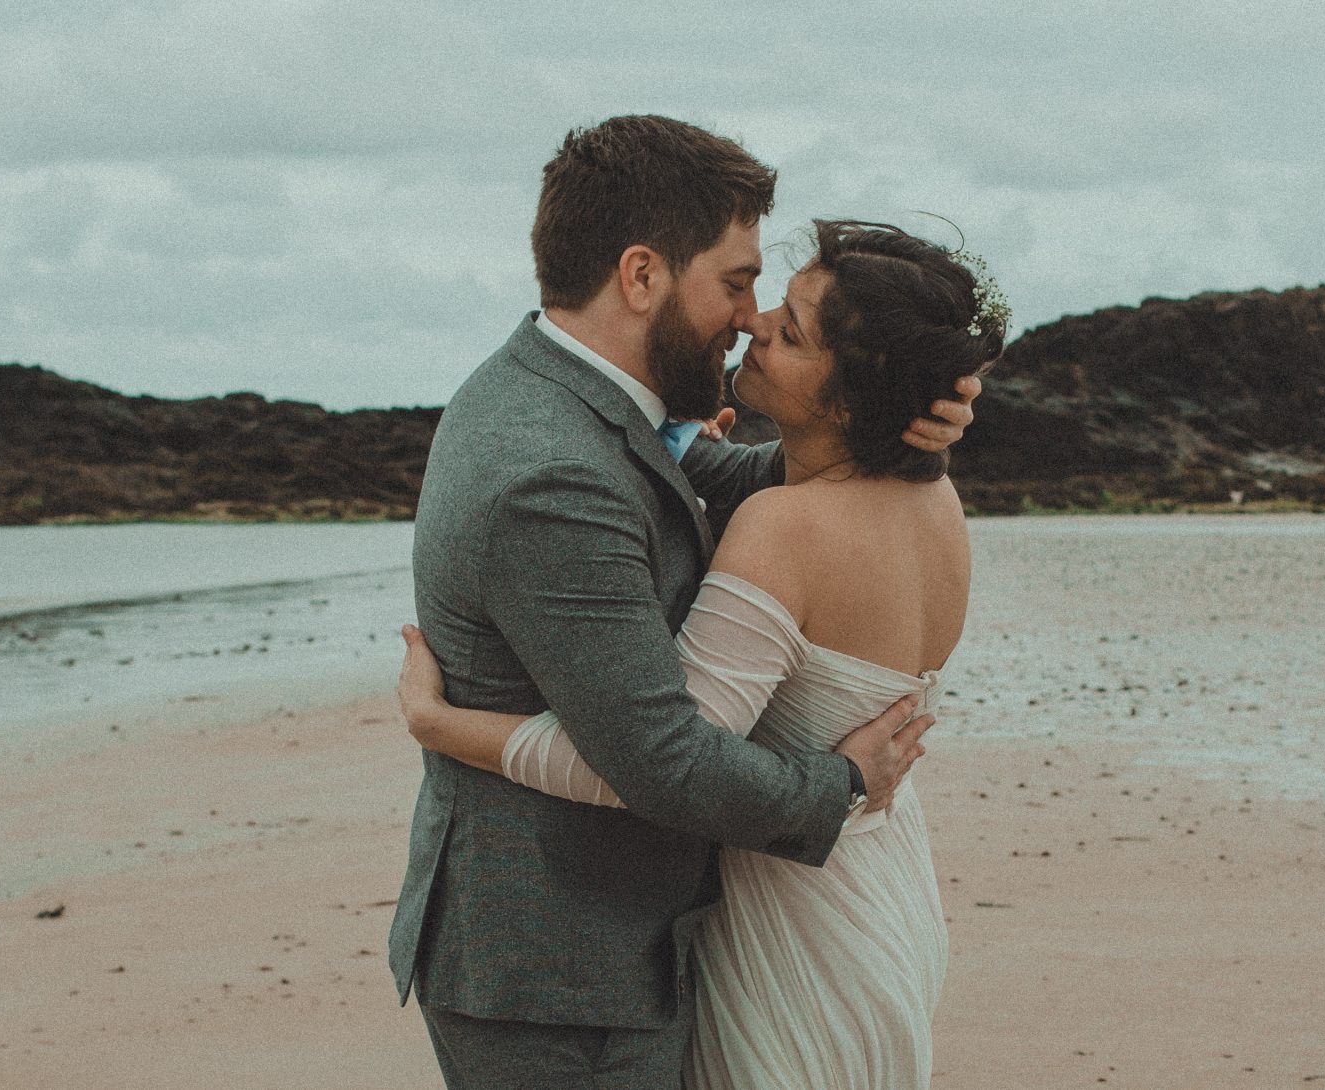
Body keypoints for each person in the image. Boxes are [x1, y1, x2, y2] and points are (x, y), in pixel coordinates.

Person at [386, 115, 983, 1090]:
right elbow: (661, 759)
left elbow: (773, 485)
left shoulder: (611, 409)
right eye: (740, 282)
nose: (750, 317)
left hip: (671, 937)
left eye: (774, 311)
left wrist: (908, 426)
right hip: (560, 969)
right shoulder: (547, 467)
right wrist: (836, 785)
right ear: (641, 276)